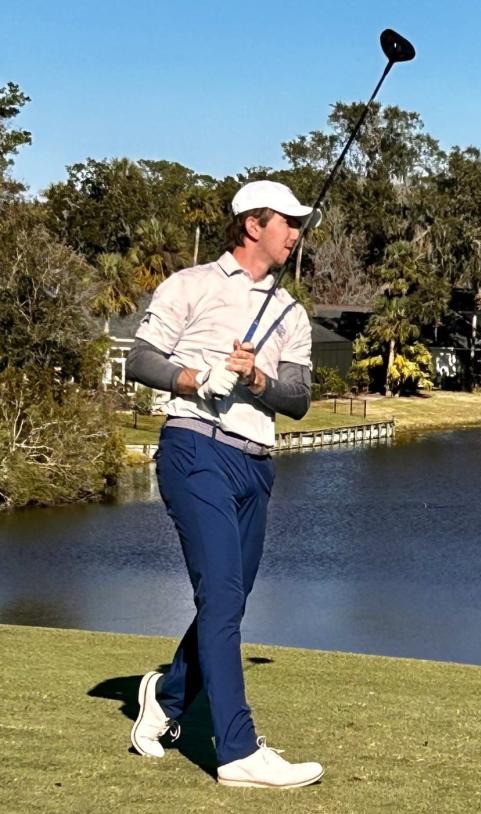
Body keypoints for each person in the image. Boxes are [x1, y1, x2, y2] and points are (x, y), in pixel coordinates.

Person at [125, 180, 323, 789]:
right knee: (222, 599)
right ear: (252, 224)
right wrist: (195, 378)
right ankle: (236, 751)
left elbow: (300, 399)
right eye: (288, 221)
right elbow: (140, 358)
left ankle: (166, 696)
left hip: (256, 463)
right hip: (194, 450)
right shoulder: (190, 285)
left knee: (227, 600)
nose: (297, 231)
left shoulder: (291, 311)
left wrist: (258, 379)